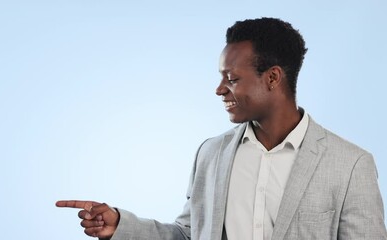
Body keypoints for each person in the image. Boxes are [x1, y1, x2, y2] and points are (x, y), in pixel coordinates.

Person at [56, 17, 387, 239]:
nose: (219, 89)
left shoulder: (350, 164)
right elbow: (189, 234)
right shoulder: (211, 153)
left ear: (272, 78)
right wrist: (120, 224)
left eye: (231, 79)